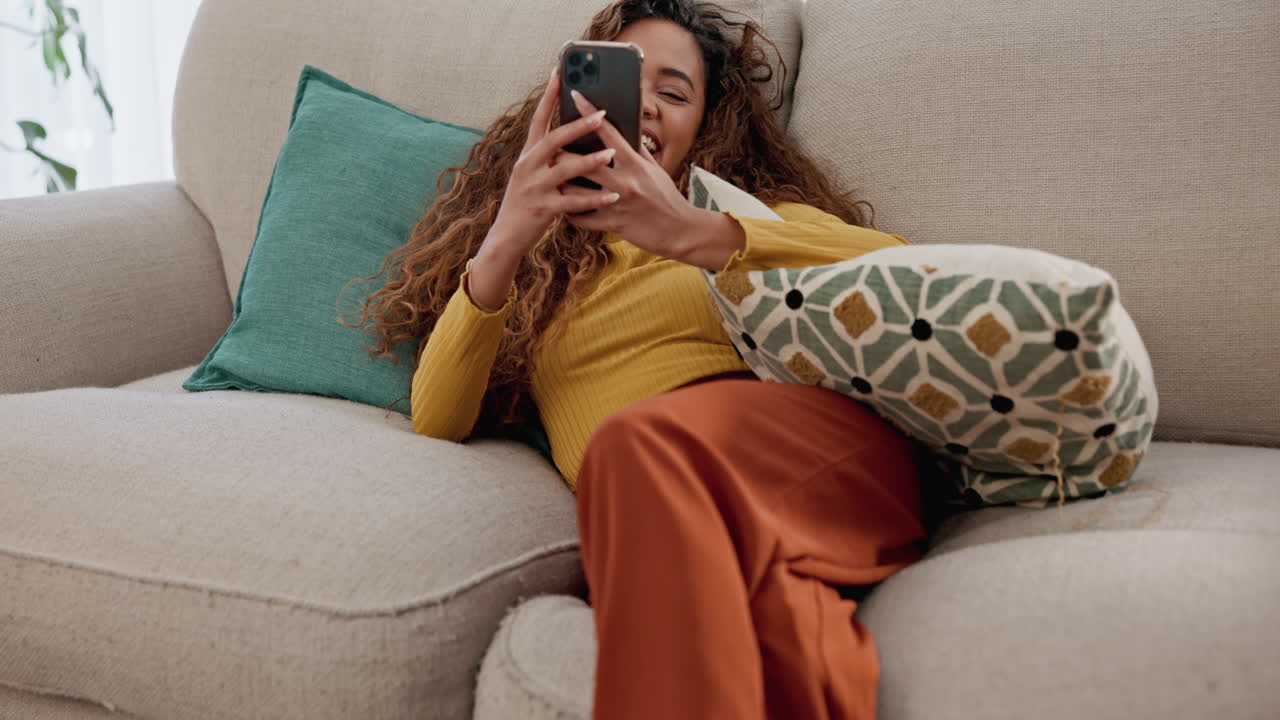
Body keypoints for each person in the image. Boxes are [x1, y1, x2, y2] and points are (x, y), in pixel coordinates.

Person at [344, 1, 930, 717]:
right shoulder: (536, 277)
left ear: (708, 126)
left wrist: (690, 231)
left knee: (632, 445)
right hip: (676, 507)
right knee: (781, 624)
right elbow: (438, 416)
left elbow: (904, 273)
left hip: (816, 458)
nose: (647, 106)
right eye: (626, 84)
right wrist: (507, 236)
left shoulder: (735, 220)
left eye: (674, 93)